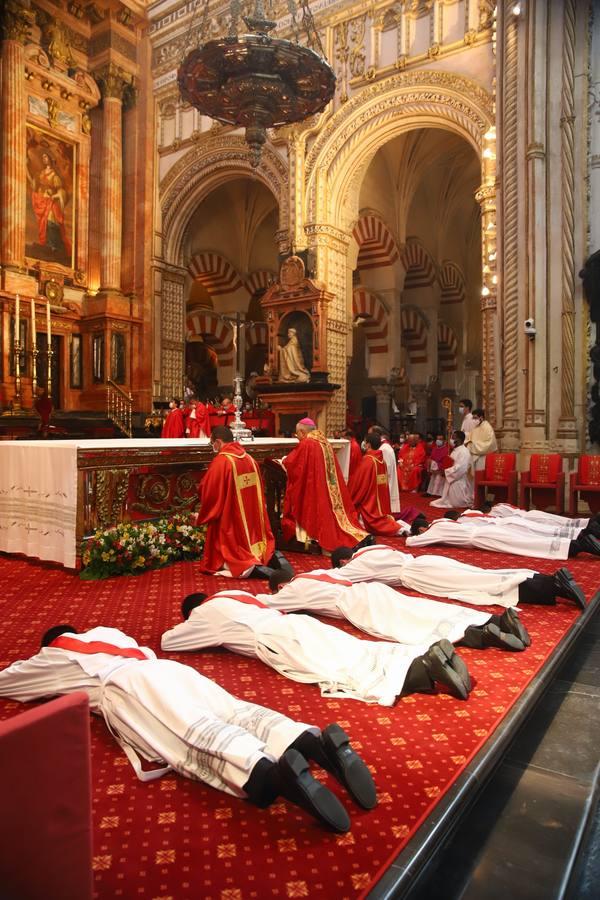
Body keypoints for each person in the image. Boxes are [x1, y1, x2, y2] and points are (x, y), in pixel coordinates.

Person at [0, 624, 374, 832]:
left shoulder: (52, 655)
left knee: (191, 735)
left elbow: (9, 682)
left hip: (126, 687)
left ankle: (272, 775)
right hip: (168, 670)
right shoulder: (110, 633)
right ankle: (311, 742)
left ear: (49, 643)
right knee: (234, 710)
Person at [161, 591, 473, 703]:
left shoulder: (203, 614)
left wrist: (193, 621)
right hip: (296, 624)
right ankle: (421, 658)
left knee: (342, 671)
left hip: (277, 640)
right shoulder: (234, 593)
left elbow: (170, 641)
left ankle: (423, 668)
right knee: (356, 649)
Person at [265, 569, 531, 652]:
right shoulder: (316, 573)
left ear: (280, 585)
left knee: (413, 627)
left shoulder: (291, 589)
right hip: (372, 589)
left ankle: (486, 636)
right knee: (423, 608)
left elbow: (266, 604)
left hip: (356, 605)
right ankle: (495, 620)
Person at [330, 543, 587, 610]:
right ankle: (548, 581)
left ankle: (553, 586)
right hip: (426, 563)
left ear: (344, 560)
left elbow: (338, 576)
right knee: (482, 576)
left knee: (484, 586)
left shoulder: (356, 563)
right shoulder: (372, 549)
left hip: (420, 575)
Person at [196, 426, 276, 578]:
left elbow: (210, 491)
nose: (213, 447)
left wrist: (202, 505)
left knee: (229, 540)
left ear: (218, 442)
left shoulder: (222, 461)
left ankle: (240, 565)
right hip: (250, 517)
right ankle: (258, 556)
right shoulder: (249, 459)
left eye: (212, 443)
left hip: (230, 517)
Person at [279, 419, 367, 551]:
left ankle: (307, 538)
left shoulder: (307, 443)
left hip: (314, 487)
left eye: (297, 434)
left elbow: (295, 465)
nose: (297, 437)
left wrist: (284, 461)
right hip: (326, 485)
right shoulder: (324, 441)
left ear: (302, 432)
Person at [406, 514, 600, 566]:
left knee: (525, 545)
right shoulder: (443, 521)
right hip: (486, 531)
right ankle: (580, 542)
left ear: (422, 529)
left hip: (482, 538)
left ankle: (579, 545)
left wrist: (409, 533)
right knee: (528, 538)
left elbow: (412, 543)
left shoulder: (434, 529)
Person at [349, 433, 410, 536]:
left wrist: (349, 498)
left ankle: (400, 530)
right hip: (379, 506)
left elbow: (359, 484)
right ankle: (401, 528)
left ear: (368, 445)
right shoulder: (381, 460)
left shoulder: (367, 461)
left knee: (355, 522)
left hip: (368, 506)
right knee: (384, 520)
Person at [430, 430, 474, 509]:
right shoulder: (455, 450)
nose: (451, 440)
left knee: (456, 503)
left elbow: (461, 468)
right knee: (442, 501)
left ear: (459, 439)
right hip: (451, 478)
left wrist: (446, 471)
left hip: (458, 480)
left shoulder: (464, 452)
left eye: (453, 438)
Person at [368, 426, 400, 512]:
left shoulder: (384, 448)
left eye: (370, 434)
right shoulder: (383, 446)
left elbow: (385, 470)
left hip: (384, 482)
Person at [426, 432, 450, 497]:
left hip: (440, 468)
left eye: (440, 439)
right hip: (434, 467)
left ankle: (437, 493)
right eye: (437, 439)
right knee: (432, 479)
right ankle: (430, 492)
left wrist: (439, 466)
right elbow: (431, 457)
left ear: (444, 441)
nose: (438, 441)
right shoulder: (435, 448)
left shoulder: (446, 449)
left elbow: (445, 460)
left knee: (438, 479)